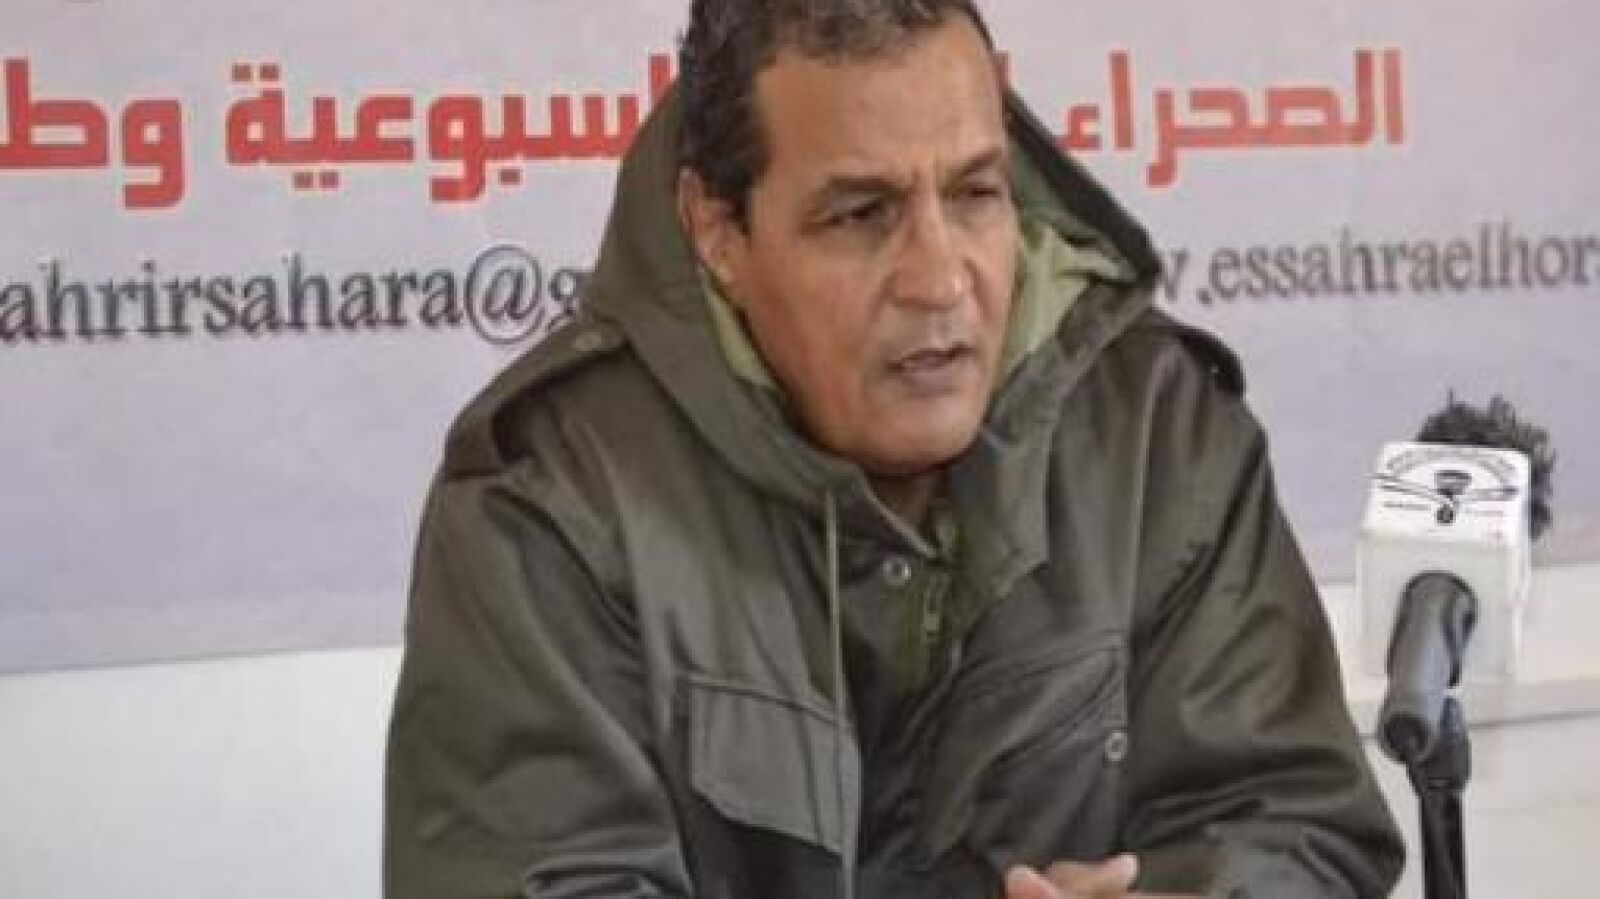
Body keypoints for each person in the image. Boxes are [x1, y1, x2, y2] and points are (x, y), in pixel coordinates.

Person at [384, 1, 1404, 896]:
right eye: (862, 215)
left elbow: (1296, 826)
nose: (941, 280)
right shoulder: (549, 499)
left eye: (975, 195)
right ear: (718, 232)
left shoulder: (1156, 431)